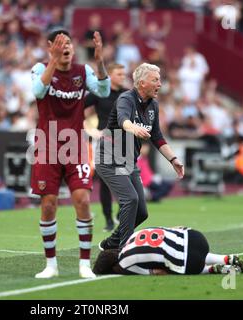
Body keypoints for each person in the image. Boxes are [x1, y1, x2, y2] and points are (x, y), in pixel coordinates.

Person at [30, 29, 110, 279]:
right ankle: (51, 265)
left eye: (69, 43)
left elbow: (104, 91)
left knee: (84, 201)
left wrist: (99, 61)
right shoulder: (39, 68)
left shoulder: (82, 71)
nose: (66, 47)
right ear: (50, 46)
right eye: (61, 44)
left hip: (75, 144)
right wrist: (53, 61)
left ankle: (84, 264)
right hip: (46, 145)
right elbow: (38, 92)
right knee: (48, 205)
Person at [95, 63, 184, 252]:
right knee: (130, 200)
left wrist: (173, 159)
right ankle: (124, 251)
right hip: (108, 158)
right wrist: (133, 128)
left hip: (129, 161)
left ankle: (111, 243)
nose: (160, 83)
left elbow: (157, 136)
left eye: (159, 79)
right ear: (142, 83)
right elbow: (123, 121)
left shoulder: (154, 105)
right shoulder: (126, 99)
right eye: (155, 80)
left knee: (142, 212)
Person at [93, 226, 243, 276]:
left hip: (190, 262)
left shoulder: (125, 263)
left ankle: (211, 269)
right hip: (195, 237)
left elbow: (157, 272)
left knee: (174, 263)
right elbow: (171, 228)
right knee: (184, 249)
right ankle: (224, 259)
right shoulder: (133, 236)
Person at [84, 62, 127, 232]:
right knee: (104, 181)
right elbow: (78, 108)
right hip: (104, 141)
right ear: (109, 76)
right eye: (119, 74)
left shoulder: (127, 94)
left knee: (125, 178)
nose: (123, 77)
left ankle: (120, 214)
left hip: (124, 141)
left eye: (124, 74)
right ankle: (109, 220)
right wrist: (91, 129)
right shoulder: (100, 92)